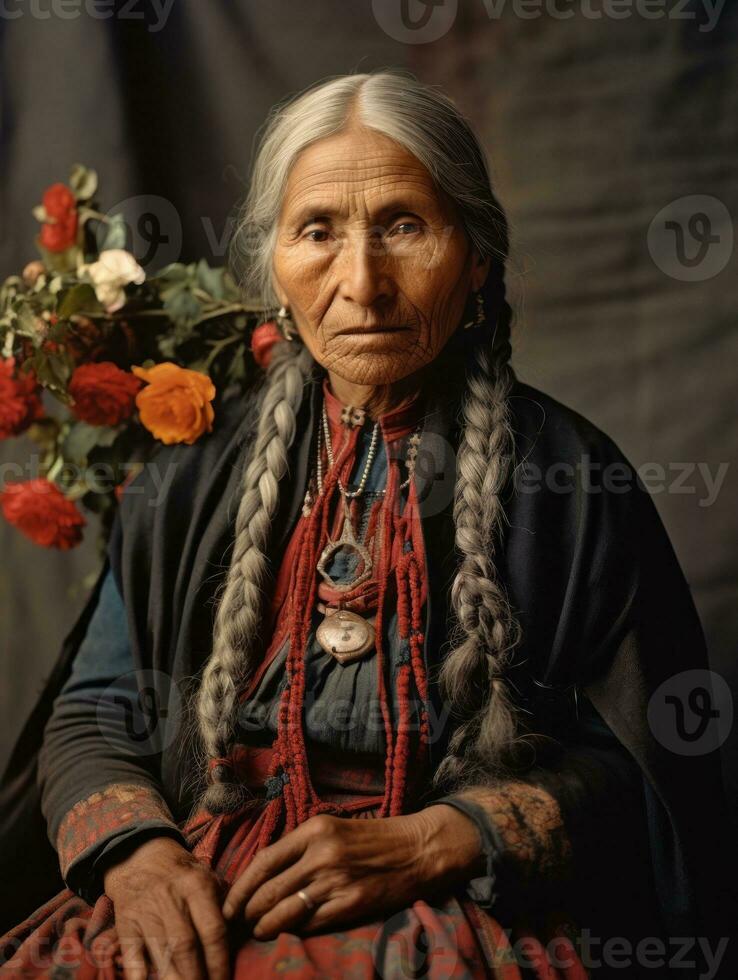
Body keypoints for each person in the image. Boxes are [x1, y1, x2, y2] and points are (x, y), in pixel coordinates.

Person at [1, 69, 735, 980]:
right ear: (275, 262)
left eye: (403, 227)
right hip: (201, 881)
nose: (363, 284)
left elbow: (649, 764)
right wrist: (139, 858)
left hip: (457, 902)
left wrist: (440, 840)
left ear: (475, 259)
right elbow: (96, 707)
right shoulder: (190, 477)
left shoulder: (573, 481)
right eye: (318, 231)